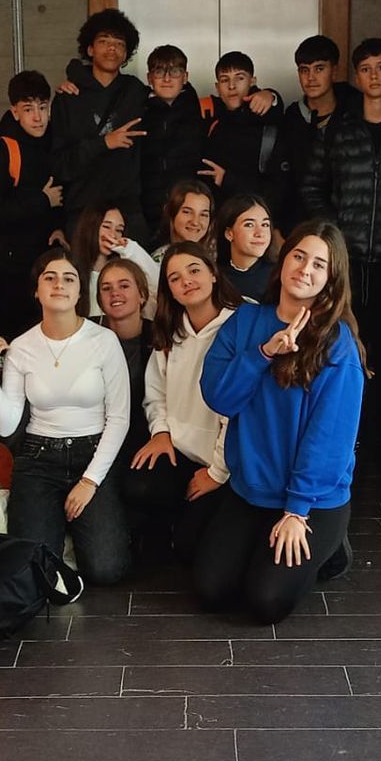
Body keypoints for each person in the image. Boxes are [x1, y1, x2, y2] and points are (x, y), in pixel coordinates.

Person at [196, 221, 364, 624]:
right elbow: (218, 397)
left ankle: (332, 546)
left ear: (331, 278)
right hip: (252, 488)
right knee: (210, 591)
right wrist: (263, 353)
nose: (305, 269)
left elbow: (329, 439)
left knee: (265, 602)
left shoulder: (337, 344)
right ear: (283, 260)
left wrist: (296, 511)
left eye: (319, 264)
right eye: (298, 256)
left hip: (311, 499)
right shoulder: (245, 321)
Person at [0, 249, 132, 587]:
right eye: (50, 277)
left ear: (79, 291)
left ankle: (75, 530)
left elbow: (119, 418)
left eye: (69, 278)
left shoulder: (104, 340)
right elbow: (6, 424)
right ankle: (59, 533)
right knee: (34, 570)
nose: (59, 284)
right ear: (37, 290)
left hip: (94, 453)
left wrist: (89, 482)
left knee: (106, 569)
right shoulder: (21, 347)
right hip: (39, 458)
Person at [299, 37, 381, 460]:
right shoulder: (337, 130)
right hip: (345, 259)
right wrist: (334, 235)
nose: (374, 76)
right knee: (344, 345)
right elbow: (311, 186)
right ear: (356, 77)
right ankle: (345, 433)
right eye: (366, 69)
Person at [125, 241, 238, 567]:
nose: (186, 281)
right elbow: (155, 393)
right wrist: (160, 432)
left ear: (213, 274)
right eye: (174, 278)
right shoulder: (170, 331)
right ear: (169, 290)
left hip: (225, 462)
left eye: (194, 270)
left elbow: (239, 411)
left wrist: (217, 472)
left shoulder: (239, 325)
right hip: (181, 449)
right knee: (138, 486)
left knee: (194, 549)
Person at [0, 70, 65, 338]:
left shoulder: (54, 142)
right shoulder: (1, 150)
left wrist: (59, 227)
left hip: (43, 261)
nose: (37, 117)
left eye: (43, 107)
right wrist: (42, 200)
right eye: (28, 109)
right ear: (15, 112)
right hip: (8, 269)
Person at [51, 8, 151, 245]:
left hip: (128, 212)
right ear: (90, 49)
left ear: (126, 53)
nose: (112, 48)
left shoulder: (136, 92)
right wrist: (105, 143)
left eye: (119, 43)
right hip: (83, 210)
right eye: (104, 41)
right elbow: (59, 164)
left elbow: (173, 94)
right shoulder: (68, 98)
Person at [276, 35, 357, 230]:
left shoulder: (355, 114)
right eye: (304, 70)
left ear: (334, 71)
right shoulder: (292, 118)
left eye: (319, 69)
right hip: (298, 226)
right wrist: (277, 227)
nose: (311, 78)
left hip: (346, 228)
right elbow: (281, 180)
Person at [200, 51, 284, 211]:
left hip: (257, 219)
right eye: (225, 80)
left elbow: (277, 192)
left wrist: (227, 180)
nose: (232, 86)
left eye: (240, 78)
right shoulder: (212, 121)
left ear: (252, 81)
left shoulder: (269, 125)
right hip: (218, 220)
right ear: (217, 87)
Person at [138, 45, 205, 239]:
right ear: (149, 78)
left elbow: (241, 102)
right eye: (159, 72)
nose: (167, 79)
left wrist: (270, 95)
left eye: (174, 71)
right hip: (146, 213)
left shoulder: (202, 109)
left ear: (185, 77)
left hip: (191, 214)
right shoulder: (137, 110)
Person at [94, 257, 153, 469]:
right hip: (93, 438)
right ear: (99, 300)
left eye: (124, 286)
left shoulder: (160, 336)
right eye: (106, 288)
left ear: (142, 295)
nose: (115, 293)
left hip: (144, 437)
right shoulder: (85, 333)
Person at [71, 201, 161, 317]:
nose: (113, 235)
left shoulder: (127, 267)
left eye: (119, 230)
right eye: (106, 226)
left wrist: (130, 248)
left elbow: (159, 286)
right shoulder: (71, 271)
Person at [214, 194, 276, 302]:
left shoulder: (278, 275)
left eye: (265, 225)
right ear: (229, 233)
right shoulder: (215, 277)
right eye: (249, 225)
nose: (260, 233)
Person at [151, 179, 216, 262]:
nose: (195, 222)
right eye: (187, 212)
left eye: (203, 215)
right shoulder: (157, 262)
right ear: (171, 212)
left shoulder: (214, 256)